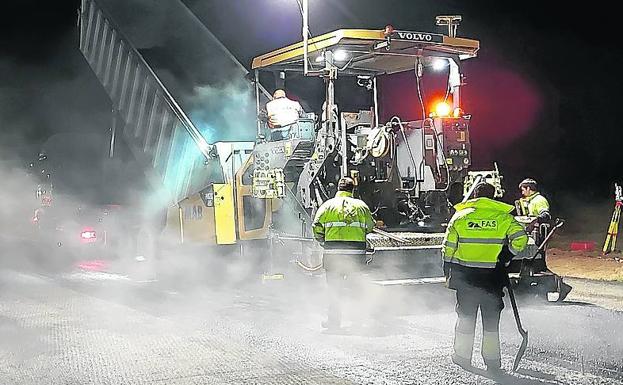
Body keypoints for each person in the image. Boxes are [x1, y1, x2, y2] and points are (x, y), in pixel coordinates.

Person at [442, 183, 528, 374]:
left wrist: (447, 268)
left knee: (465, 317)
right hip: (492, 278)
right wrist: (506, 255)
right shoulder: (503, 218)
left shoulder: (460, 217)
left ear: (474, 195)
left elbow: (448, 247)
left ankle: (462, 356)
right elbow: (521, 238)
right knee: (491, 322)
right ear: (494, 196)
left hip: (466, 278)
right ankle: (492, 361)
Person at [312, 177, 375, 330]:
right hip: (355, 256)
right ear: (353, 189)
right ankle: (357, 321)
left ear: (338, 189)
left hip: (333, 256)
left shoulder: (327, 206)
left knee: (334, 290)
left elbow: (316, 227)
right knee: (355, 289)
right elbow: (370, 226)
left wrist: (323, 241)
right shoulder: (361, 207)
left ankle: (334, 322)